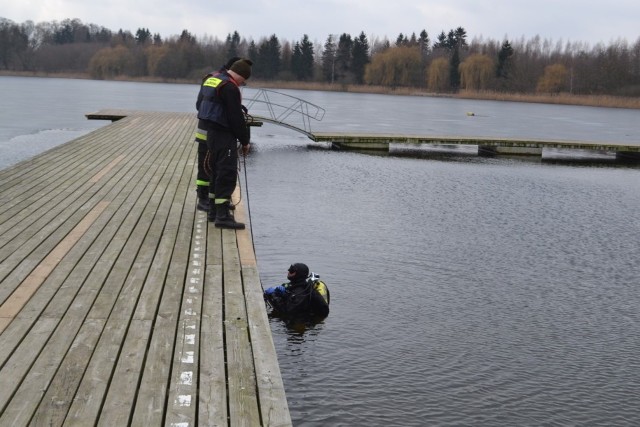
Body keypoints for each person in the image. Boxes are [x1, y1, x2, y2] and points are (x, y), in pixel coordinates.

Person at [196, 58, 253, 229]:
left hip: (210, 133)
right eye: (244, 80)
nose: (242, 83)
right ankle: (222, 216)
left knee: (214, 172)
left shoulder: (213, 80)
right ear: (241, 75)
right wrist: (244, 141)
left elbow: (200, 104)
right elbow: (235, 119)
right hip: (223, 135)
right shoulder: (230, 87)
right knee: (226, 174)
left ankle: (213, 211)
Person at [194, 56, 241, 212]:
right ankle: (203, 198)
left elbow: (199, 104)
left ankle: (215, 201)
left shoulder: (211, 78)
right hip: (211, 130)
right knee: (206, 166)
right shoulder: (223, 82)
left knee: (216, 167)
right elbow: (201, 105)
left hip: (208, 129)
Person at [264, 263, 330, 320]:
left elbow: (286, 311)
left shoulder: (300, 293)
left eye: (291, 271)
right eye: (289, 269)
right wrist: (284, 294)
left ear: (298, 274)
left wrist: (273, 295)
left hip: (302, 321)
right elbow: (291, 298)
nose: (288, 271)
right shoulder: (297, 285)